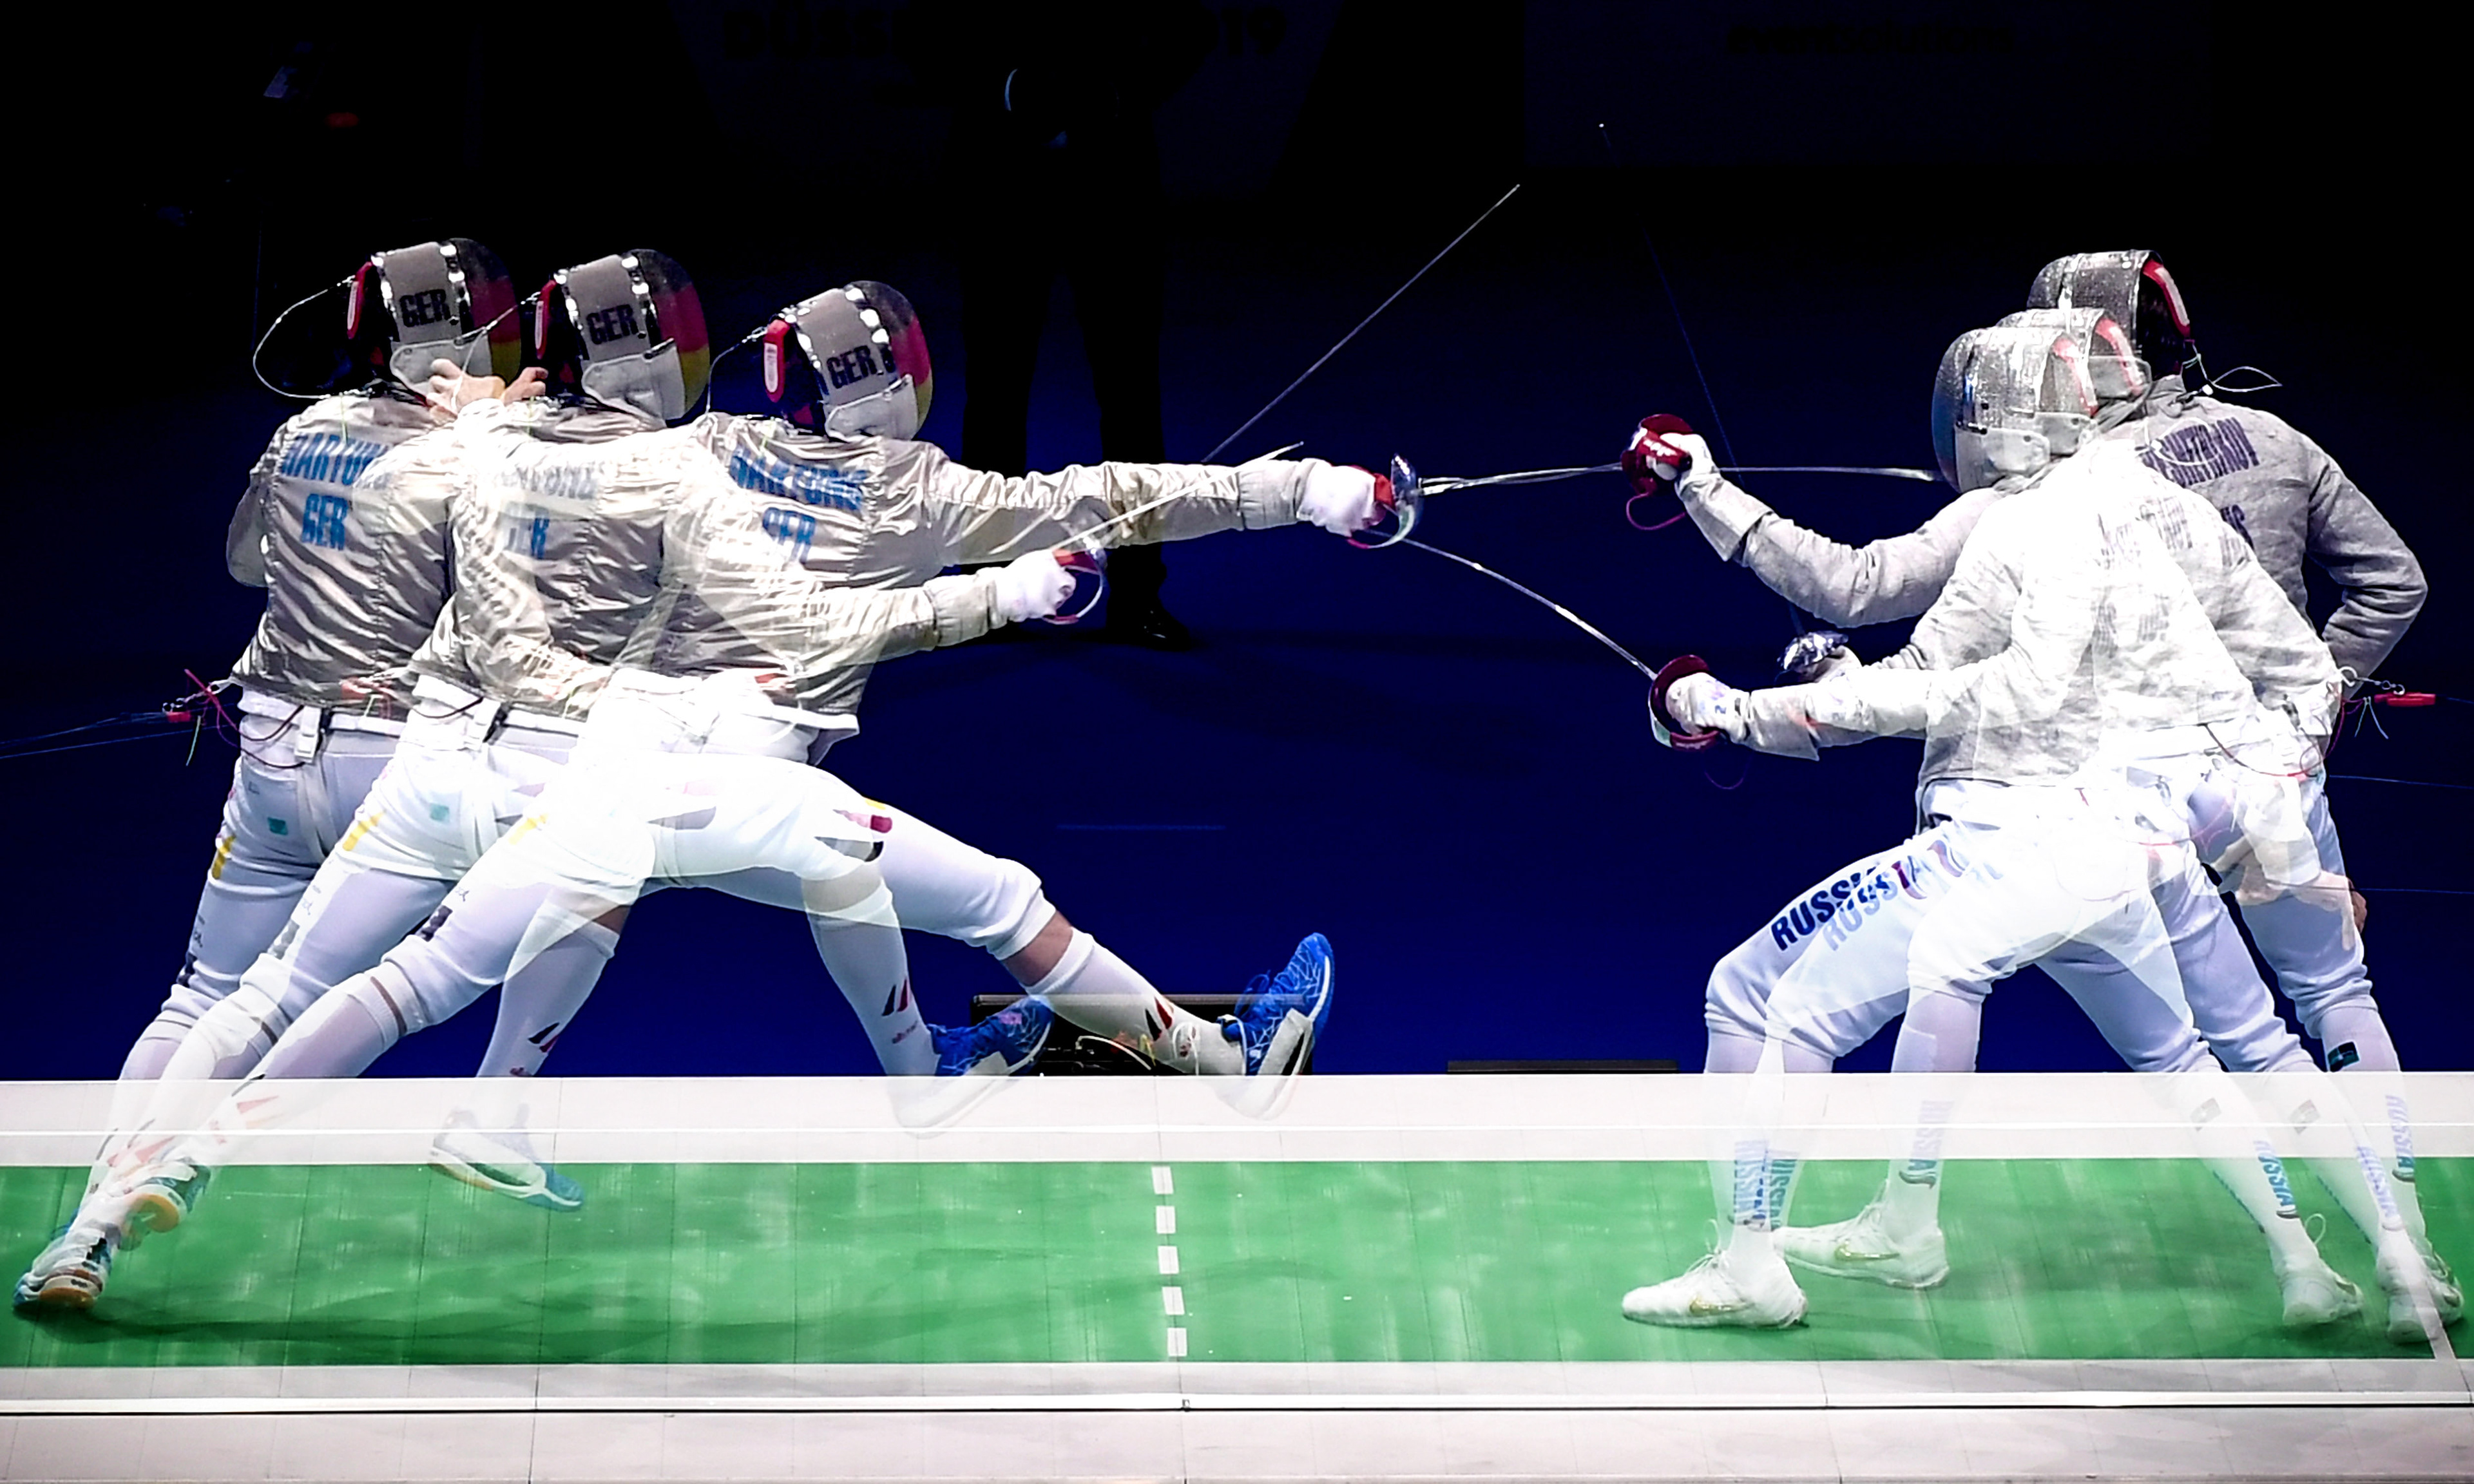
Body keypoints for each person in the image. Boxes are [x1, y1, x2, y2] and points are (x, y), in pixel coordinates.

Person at [1614, 324, 2431, 1335]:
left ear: (1999, 423)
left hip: (2014, 844)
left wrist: (1732, 709)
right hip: (2142, 848)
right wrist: (2266, 791)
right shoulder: (2161, 507)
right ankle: (2370, 1261)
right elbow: (2298, 669)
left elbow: (1917, 651)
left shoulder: (2014, 526)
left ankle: (1755, 1259)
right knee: (2231, 1050)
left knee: (1759, 998)